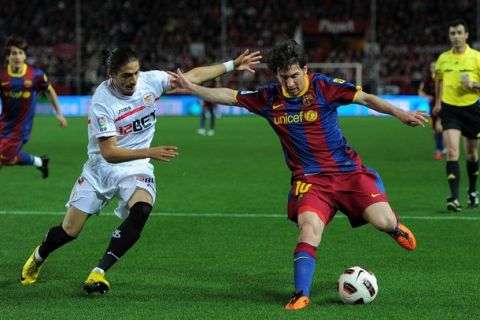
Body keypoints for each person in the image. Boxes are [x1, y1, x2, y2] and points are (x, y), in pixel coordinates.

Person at [173, 39, 427, 310]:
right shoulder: (270, 98)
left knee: (383, 221)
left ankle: (394, 227)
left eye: (295, 75)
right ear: (277, 76)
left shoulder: (324, 87)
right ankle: (300, 293)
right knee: (309, 227)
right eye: (284, 77)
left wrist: (400, 114)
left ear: (305, 69)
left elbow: (365, 98)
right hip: (310, 180)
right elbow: (228, 95)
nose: (290, 83)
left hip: (348, 172)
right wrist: (193, 88)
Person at [20, 47, 261, 294]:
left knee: (142, 208)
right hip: (101, 169)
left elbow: (193, 77)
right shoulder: (102, 102)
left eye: (135, 73)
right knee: (69, 231)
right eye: (126, 75)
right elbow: (109, 153)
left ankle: (98, 273)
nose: (133, 80)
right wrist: (149, 151)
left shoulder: (150, 81)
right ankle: (38, 257)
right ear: (111, 74)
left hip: (135, 168)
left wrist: (232, 64)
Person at [0, 36, 67, 178]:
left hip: (20, 129)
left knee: (3, 157)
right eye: (13, 53)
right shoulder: (3, 76)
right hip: (3, 124)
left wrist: (59, 113)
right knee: (3, 159)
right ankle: (40, 162)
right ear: (7, 57)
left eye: (20, 53)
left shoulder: (35, 75)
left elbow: (49, 90)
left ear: (25, 56)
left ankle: (39, 162)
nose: (17, 56)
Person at [433, 19, 480, 211]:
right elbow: (438, 81)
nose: (456, 36)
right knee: (452, 152)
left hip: (472, 109)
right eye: (452, 33)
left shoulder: (476, 57)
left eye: (459, 32)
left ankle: (472, 192)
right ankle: (454, 198)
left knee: (472, 154)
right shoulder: (443, 58)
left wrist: (473, 85)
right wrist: (437, 102)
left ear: (466, 35)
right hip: (450, 109)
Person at [418, 60, 445, 160]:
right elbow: (420, 92)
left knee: (439, 127)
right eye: (432, 67)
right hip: (432, 106)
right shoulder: (427, 80)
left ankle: (439, 149)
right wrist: (427, 96)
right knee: (435, 129)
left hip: (444, 105)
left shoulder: (444, 78)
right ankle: (442, 148)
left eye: (435, 67)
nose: (433, 69)